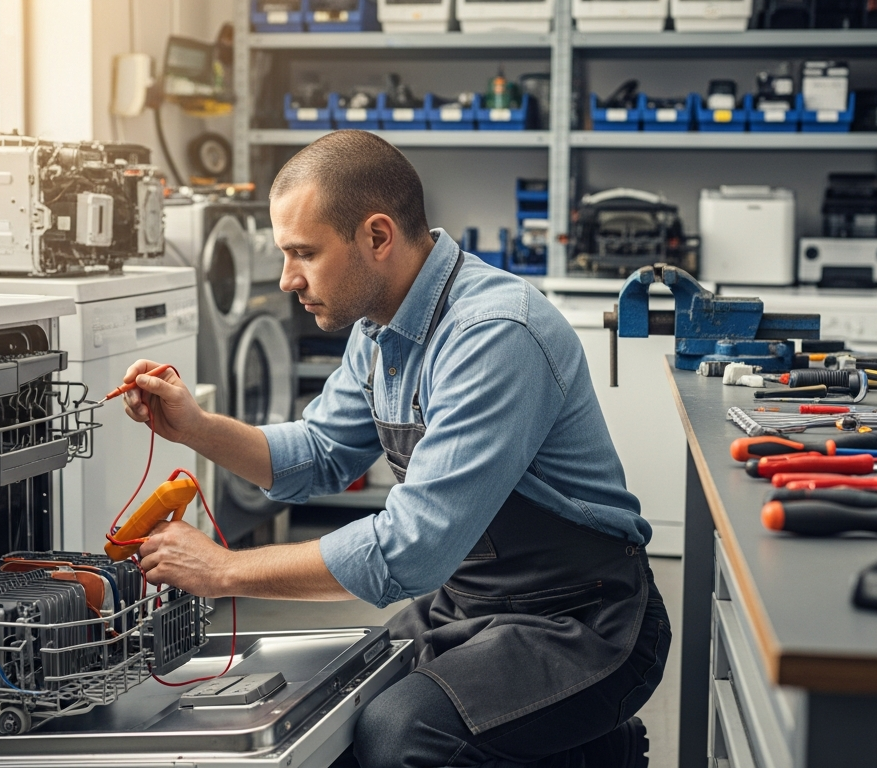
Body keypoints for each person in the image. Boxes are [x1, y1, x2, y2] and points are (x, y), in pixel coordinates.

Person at [123, 130, 668, 768]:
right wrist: (194, 427)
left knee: (401, 736)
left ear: (377, 237)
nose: (287, 278)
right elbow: (320, 451)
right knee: (331, 712)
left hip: (583, 618)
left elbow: (413, 550)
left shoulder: (493, 334)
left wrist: (222, 571)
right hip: (468, 605)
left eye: (304, 252)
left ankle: (591, 752)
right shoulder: (380, 326)